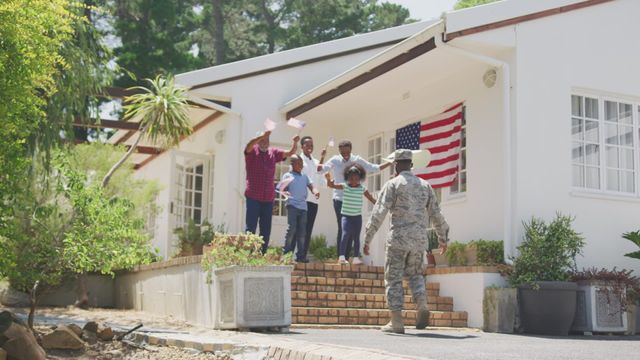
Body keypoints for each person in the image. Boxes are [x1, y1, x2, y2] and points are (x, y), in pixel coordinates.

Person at [363, 149, 449, 334]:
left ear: (396, 165)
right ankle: (423, 305)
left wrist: (368, 238)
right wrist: (443, 239)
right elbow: (436, 214)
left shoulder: (393, 184)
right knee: (416, 274)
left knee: (393, 278)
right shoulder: (425, 185)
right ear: (411, 164)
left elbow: (379, 212)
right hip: (419, 241)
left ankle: (396, 321)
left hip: (398, 240)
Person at [318, 140, 391, 260]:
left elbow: (374, 168)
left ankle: (347, 257)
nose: (345, 155)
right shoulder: (335, 160)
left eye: (347, 152)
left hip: (353, 201)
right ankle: (342, 257)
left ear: (351, 149)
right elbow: (320, 170)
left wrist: (390, 162)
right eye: (343, 153)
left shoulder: (357, 159)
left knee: (352, 231)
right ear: (339, 151)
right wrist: (322, 157)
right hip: (339, 199)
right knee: (343, 229)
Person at [244, 130, 299, 253]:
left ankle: (262, 254)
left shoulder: (273, 153)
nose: (265, 142)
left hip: (268, 198)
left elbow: (290, 153)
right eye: (262, 140)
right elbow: (248, 146)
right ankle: (247, 254)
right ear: (258, 141)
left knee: (266, 229)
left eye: (267, 140)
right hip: (253, 196)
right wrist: (260, 136)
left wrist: (294, 142)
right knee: (251, 227)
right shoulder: (252, 151)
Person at [326, 165, 376, 265]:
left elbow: (371, 199)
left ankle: (356, 258)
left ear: (360, 178)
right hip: (346, 216)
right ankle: (341, 257)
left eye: (356, 179)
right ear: (347, 178)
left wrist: (379, 204)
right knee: (345, 234)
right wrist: (328, 179)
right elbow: (331, 186)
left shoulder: (362, 188)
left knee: (356, 237)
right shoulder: (345, 186)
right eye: (351, 178)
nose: (353, 181)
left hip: (357, 217)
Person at [280, 154, 320, 262]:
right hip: (292, 206)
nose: (301, 166)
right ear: (292, 164)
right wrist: (285, 192)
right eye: (298, 163)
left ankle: (301, 256)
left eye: (302, 164)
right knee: (292, 229)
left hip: (303, 207)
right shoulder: (287, 176)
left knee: (302, 232)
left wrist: (315, 191)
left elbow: (311, 186)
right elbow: (281, 189)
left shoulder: (305, 176)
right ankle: (286, 255)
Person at [299, 136, 325, 262]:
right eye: (307, 144)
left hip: (313, 201)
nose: (310, 147)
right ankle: (296, 255)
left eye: (311, 145)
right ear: (302, 146)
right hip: (301, 200)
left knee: (308, 229)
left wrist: (322, 161)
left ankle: (303, 255)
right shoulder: (298, 160)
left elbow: (321, 180)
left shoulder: (315, 162)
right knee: (299, 228)